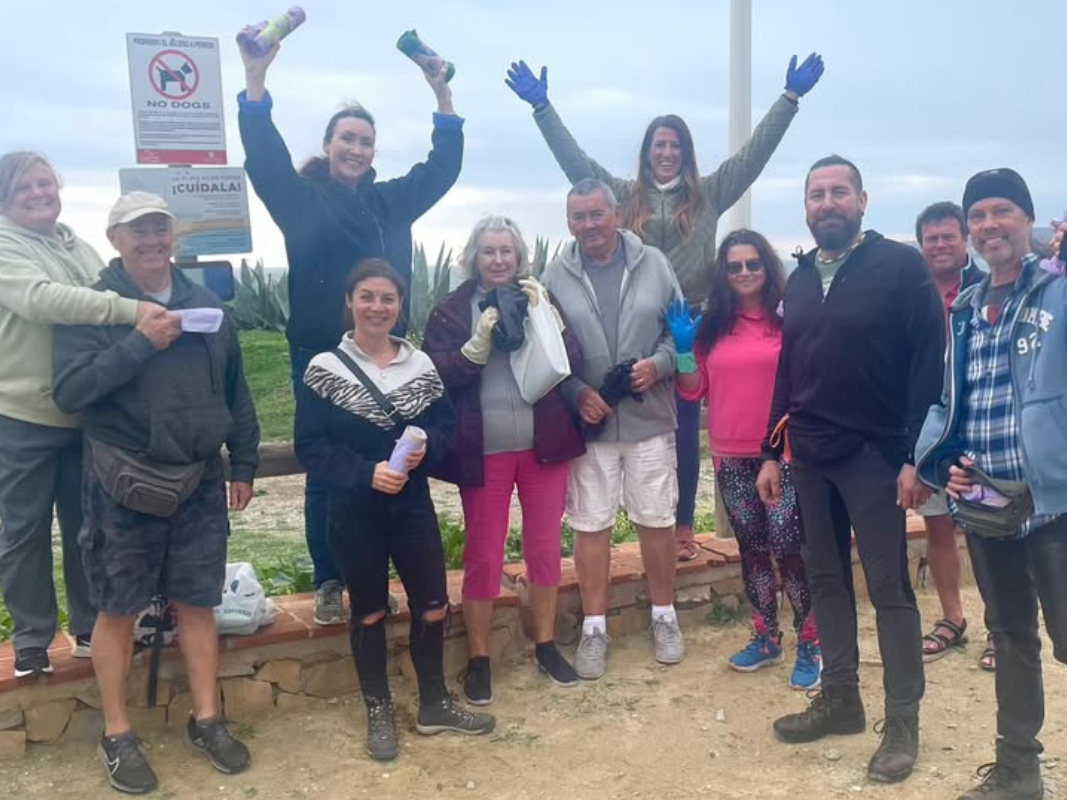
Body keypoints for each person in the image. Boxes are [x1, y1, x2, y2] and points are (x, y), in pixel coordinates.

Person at [505, 52, 824, 562]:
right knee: (618, 429)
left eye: (676, 145)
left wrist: (789, 98)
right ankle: (603, 523)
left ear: (686, 153)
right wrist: (543, 109)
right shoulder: (623, 197)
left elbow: (754, 156)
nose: (668, 152)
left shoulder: (709, 194)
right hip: (628, 328)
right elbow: (577, 165)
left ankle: (681, 526)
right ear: (647, 153)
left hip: (688, 326)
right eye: (660, 144)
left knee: (684, 427)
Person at [237, 33, 464, 626]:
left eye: (365, 141)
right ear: (328, 145)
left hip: (389, 355)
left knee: (393, 465)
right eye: (347, 138)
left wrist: (442, 96)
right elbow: (264, 159)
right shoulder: (300, 200)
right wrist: (255, 83)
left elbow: (443, 169)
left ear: (373, 151)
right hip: (321, 354)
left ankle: (376, 577)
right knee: (327, 471)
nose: (356, 149)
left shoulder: (391, 203)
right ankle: (330, 579)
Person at [51, 192, 260, 795]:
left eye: (159, 229)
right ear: (115, 239)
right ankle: (117, 733)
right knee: (116, 610)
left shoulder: (206, 304)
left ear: (174, 236)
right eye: (138, 230)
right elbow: (71, 392)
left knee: (198, 604)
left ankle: (207, 720)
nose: (151, 240)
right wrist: (141, 342)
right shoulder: (95, 307)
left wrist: (244, 462)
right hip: (122, 483)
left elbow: (235, 389)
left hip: (199, 480)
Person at [758, 156, 944, 783]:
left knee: (889, 590)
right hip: (811, 455)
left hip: (877, 456)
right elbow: (789, 368)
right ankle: (841, 699)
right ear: (806, 207)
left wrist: (918, 455)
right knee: (826, 580)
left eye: (839, 192)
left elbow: (929, 362)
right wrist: (769, 450)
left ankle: (903, 723)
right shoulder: (801, 279)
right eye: (817, 194)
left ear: (863, 201)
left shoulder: (901, 268)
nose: (827, 203)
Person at [295, 259, 494, 762]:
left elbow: (446, 426)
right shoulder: (324, 369)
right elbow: (311, 446)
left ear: (400, 305)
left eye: (387, 298)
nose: (377, 307)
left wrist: (429, 450)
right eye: (367, 296)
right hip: (353, 509)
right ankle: (379, 709)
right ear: (349, 302)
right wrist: (366, 473)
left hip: (411, 506)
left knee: (433, 604)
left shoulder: (420, 365)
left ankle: (434, 704)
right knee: (368, 612)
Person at [915, 169, 1067, 800]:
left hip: (1056, 502)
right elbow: (953, 401)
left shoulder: (1058, 288)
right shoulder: (966, 309)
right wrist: (942, 459)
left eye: (1002, 211)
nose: (989, 225)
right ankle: (1017, 770)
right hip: (986, 500)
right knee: (1010, 635)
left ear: (1028, 219)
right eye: (977, 216)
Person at [0, 152, 176, 678]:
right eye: (25, 186)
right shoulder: (5, 244)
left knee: (89, 530)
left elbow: (108, 289)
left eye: (46, 183)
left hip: (85, 414)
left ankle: (87, 627)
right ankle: (32, 638)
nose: (39, 193)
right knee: (24, 531)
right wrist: (133, 311)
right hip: (23, 414)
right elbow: (43, 300)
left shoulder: (78, 245)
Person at [423, 216, 585, 704]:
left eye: (506, 251)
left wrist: (550, 321)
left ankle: (546, 645)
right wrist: (472, 351)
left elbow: (571, 360)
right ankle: (479, 659)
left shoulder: (538, 298)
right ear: (474, 257)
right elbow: (434, 375)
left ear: (519, 257)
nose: (498, 260)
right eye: (489, 251)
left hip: (542, 445)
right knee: (483, 554)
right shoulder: (452, 311)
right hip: (484, 450)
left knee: (544, 550)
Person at [541, 178, 683, 679]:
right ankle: (595, 627)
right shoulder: (554, 276)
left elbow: (680, 333)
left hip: (649, 420)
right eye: (578, 217)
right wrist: (577, 393)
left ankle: (664, 617)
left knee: (657, 520)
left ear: (617, 215)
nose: (589, 225)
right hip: (591, 427)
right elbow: (546, 353)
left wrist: (660, 364)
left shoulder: (655, 264)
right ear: (569, 222)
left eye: (596, 214)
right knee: (591, 524)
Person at [669, 229, 820, 689]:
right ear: (723, 273)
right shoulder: (712, 327)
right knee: (752, 549)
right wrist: (683, 351)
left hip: (782, 453)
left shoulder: (787, 320)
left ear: (767, 267)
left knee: (790, 549)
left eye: (753, 264)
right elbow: (693, 390)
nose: (744, 272)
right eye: (734, 266)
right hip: (731, 456)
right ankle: (766, 636)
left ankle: (810, 640)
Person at [912, 201, 993, 670]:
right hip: (929, 431)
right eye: (931, 239)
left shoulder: (989, 288)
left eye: (948, 237)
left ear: (965, 241)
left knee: (990, 528)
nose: (940, 245)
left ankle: (1003, 627)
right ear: (921, 245)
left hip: (979, 430)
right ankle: (953, 619)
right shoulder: (912, 293)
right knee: (938, 525)